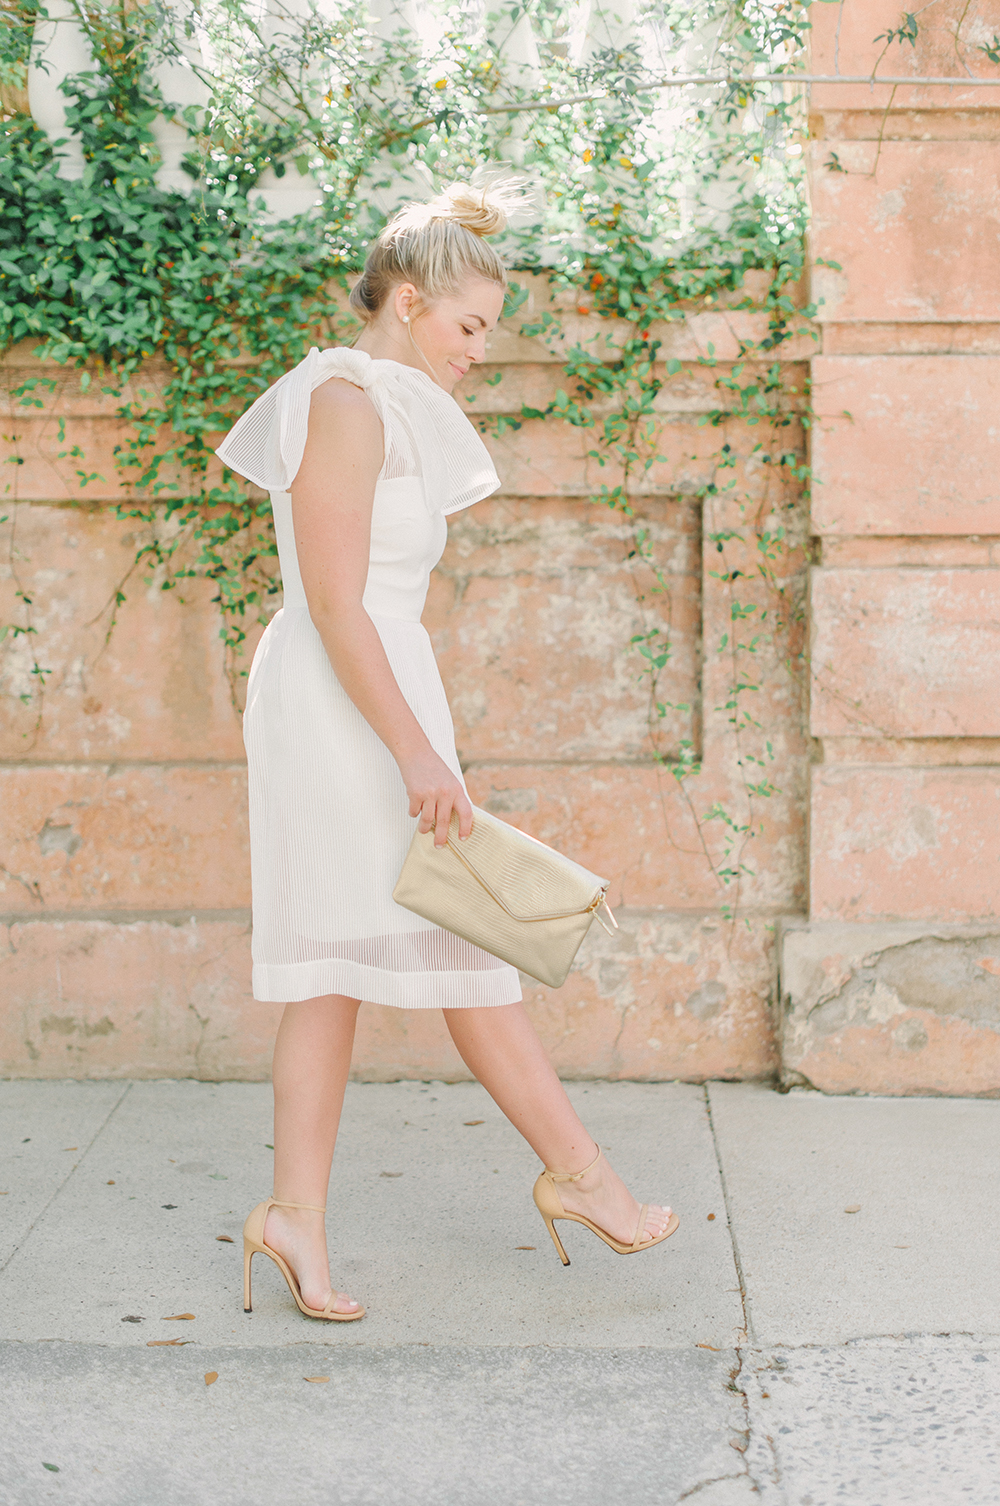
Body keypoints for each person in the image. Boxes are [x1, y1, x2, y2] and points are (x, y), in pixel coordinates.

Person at [215, 180, 678, 1322]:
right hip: (344, 705)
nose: (480, 351)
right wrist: (418, 754)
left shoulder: (381, 403)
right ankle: (582, 1179)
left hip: (376, 693)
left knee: (346, 965)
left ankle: (296, 1219)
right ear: (410, 302)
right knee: (453, 940)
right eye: (470, 326)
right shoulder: (343, 401)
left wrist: (419, 740)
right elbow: (335, 603)